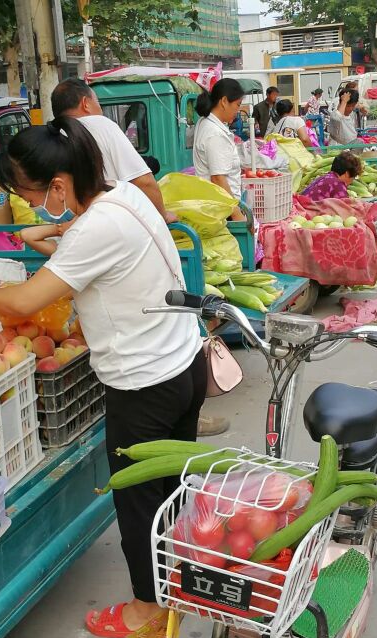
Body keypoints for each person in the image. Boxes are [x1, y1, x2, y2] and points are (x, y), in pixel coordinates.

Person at [0, 116, 205, 637]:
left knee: (136, 500)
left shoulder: (95, 227)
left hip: (143, 386)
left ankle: (148, 612)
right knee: (171, 490)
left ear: (60, 185)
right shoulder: (124, 199)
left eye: (28, 192)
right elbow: (76, 249)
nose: (28, 202)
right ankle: (178, 578)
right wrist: (47, 230)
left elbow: (23, 299)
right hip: (184, 364)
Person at [54, 78, 229, 436]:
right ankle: (187, 412)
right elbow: (145, 182)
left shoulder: (58, 139)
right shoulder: (99, 129)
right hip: (153, 374)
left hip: (99, 249)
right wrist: (161, 221)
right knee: (163, 317)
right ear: (86, 103)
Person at [50, 78, 171, 223]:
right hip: (112, 226)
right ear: (85, 103)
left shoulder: (52, 138)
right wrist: (163, 216)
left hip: (74, 230)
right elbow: (144, 182)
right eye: (98, 103)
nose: (100, 109)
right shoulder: (100, 124)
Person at [193, 78, 246, 221]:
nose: (238, 110)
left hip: (219, 206)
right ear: (224, 101)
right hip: (224, 210)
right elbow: (218, 178)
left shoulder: (205, 122)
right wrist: (238, 216)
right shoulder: (214, 133)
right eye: (237, 104)